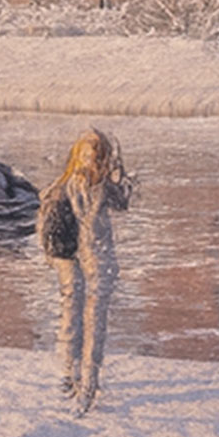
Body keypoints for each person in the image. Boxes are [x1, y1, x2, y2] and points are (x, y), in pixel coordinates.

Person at [40, 129, 133, 416]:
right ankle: (71, 375)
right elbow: (48, 219)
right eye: (85, 156)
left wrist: (119, 176)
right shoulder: (67, 186)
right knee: (73, 312)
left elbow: (123, 202)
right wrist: (57, 255)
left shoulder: (104, 187)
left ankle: (87, 381)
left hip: (100, 263)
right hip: (74, 259)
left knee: (93, 320)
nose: (89, 163)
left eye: (95, 157)